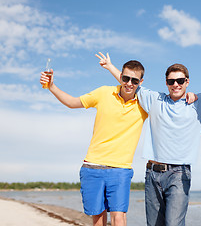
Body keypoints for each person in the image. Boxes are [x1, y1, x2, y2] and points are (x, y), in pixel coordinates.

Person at [96, 45, 201, 226]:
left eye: (180, 81)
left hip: (179, 174)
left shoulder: (200, 101)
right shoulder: (155, 100)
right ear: (166, 83)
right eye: (171, 81)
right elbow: (129, 82)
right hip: (152, 173)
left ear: (187, 81)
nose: (176, 85)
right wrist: (110, 67)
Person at [39, 59, 148, 226]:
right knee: (98, 219)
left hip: (120, 170)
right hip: (92, 167)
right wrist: (52, 86)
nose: (129, 83)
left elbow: (170, 103)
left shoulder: (144, 103)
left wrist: (190, 97)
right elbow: (72, 102)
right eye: (125, 78)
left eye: (134, 80)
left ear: (140, 82)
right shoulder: (104, 93)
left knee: (119, 217)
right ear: (120, 77)